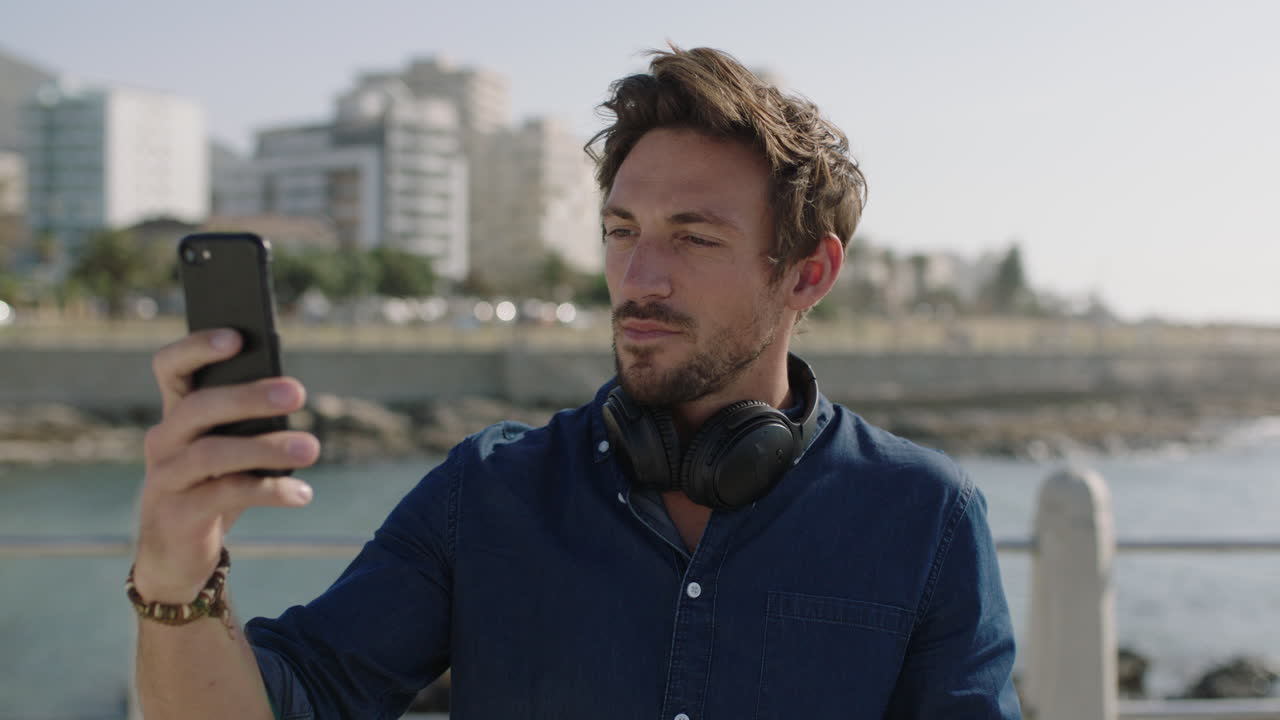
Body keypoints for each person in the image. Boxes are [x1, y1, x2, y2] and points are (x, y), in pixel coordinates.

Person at [131, 46, 1022, 719]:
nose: (641, 276)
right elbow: (285, 701)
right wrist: (179, 572)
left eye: (693, 237)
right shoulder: (489, 491)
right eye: (622, 229)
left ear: (807, 275)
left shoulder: (924, 517)